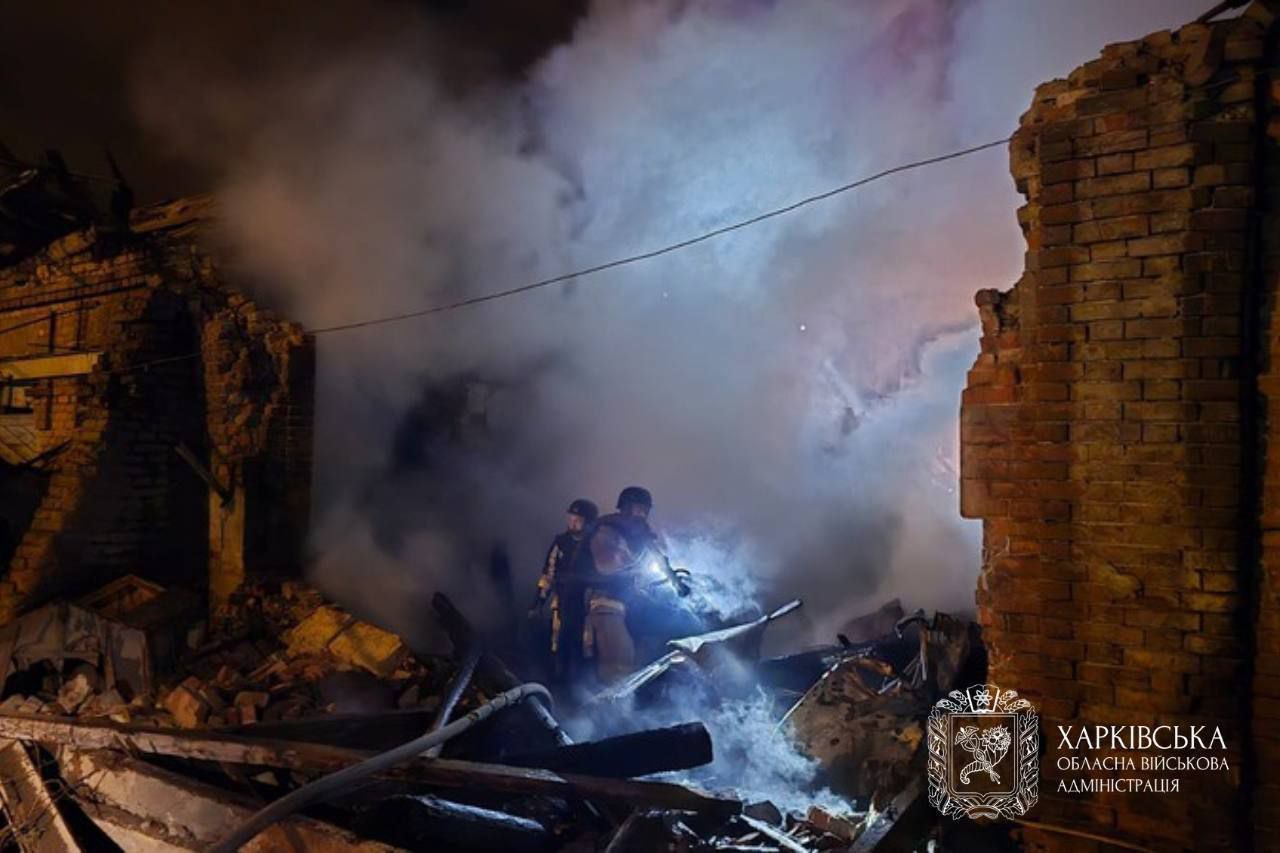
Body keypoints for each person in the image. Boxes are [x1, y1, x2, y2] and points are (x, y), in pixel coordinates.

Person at [579, 486, 693, 683]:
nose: (641, 515)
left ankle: (649, 685)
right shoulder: (606, 532)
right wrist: (636, 570)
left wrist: (676, 583)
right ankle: (613, 694)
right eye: (638, 509)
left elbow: (658, 558)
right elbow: (607, 566)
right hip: (605, 599)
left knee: (664, 626)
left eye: (645, 511)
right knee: (618, 656)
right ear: (625, 508)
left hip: (630, 598)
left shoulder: (640, 535)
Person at [530, 498, 598, 682]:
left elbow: (602, 574)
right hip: (563, 603)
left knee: (586, 646)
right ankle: (560, 682)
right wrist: (538, 603)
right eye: (571, 518)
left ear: (588, 523)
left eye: (578, 520)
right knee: (559, 643)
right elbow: (548, 575)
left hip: (587, 604)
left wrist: (581, 580)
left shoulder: (596, 545)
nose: (573, 523)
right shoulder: (561, 543)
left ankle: (585, 685)